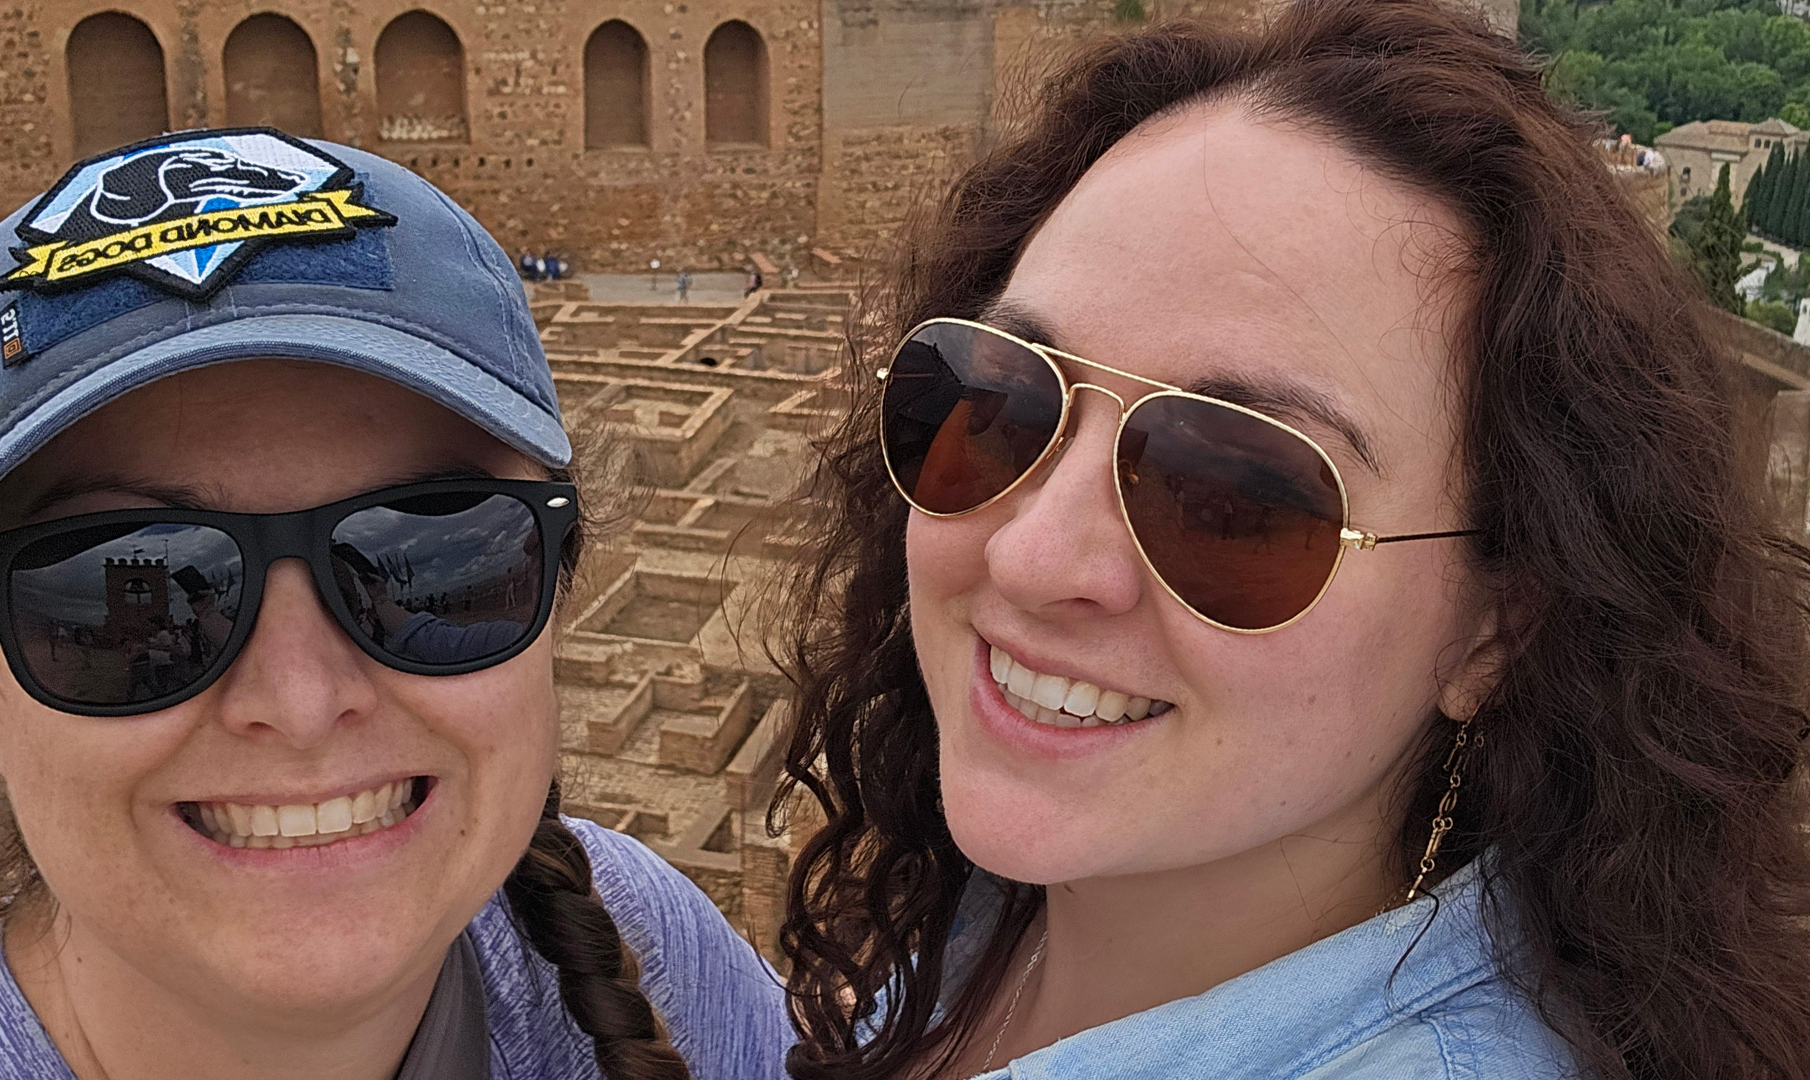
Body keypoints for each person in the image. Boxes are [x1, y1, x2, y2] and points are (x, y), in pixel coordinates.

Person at [771, 3, 1810, 1079]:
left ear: (1495, 632)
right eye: (1000, 401)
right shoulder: (1002, 928)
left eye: (1233, 494)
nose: (1031, 557)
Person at [0, 127, 789, 1080]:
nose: (303, 700)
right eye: (118, 583)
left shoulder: (658, 947)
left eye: (428, 555)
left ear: (554, 601)